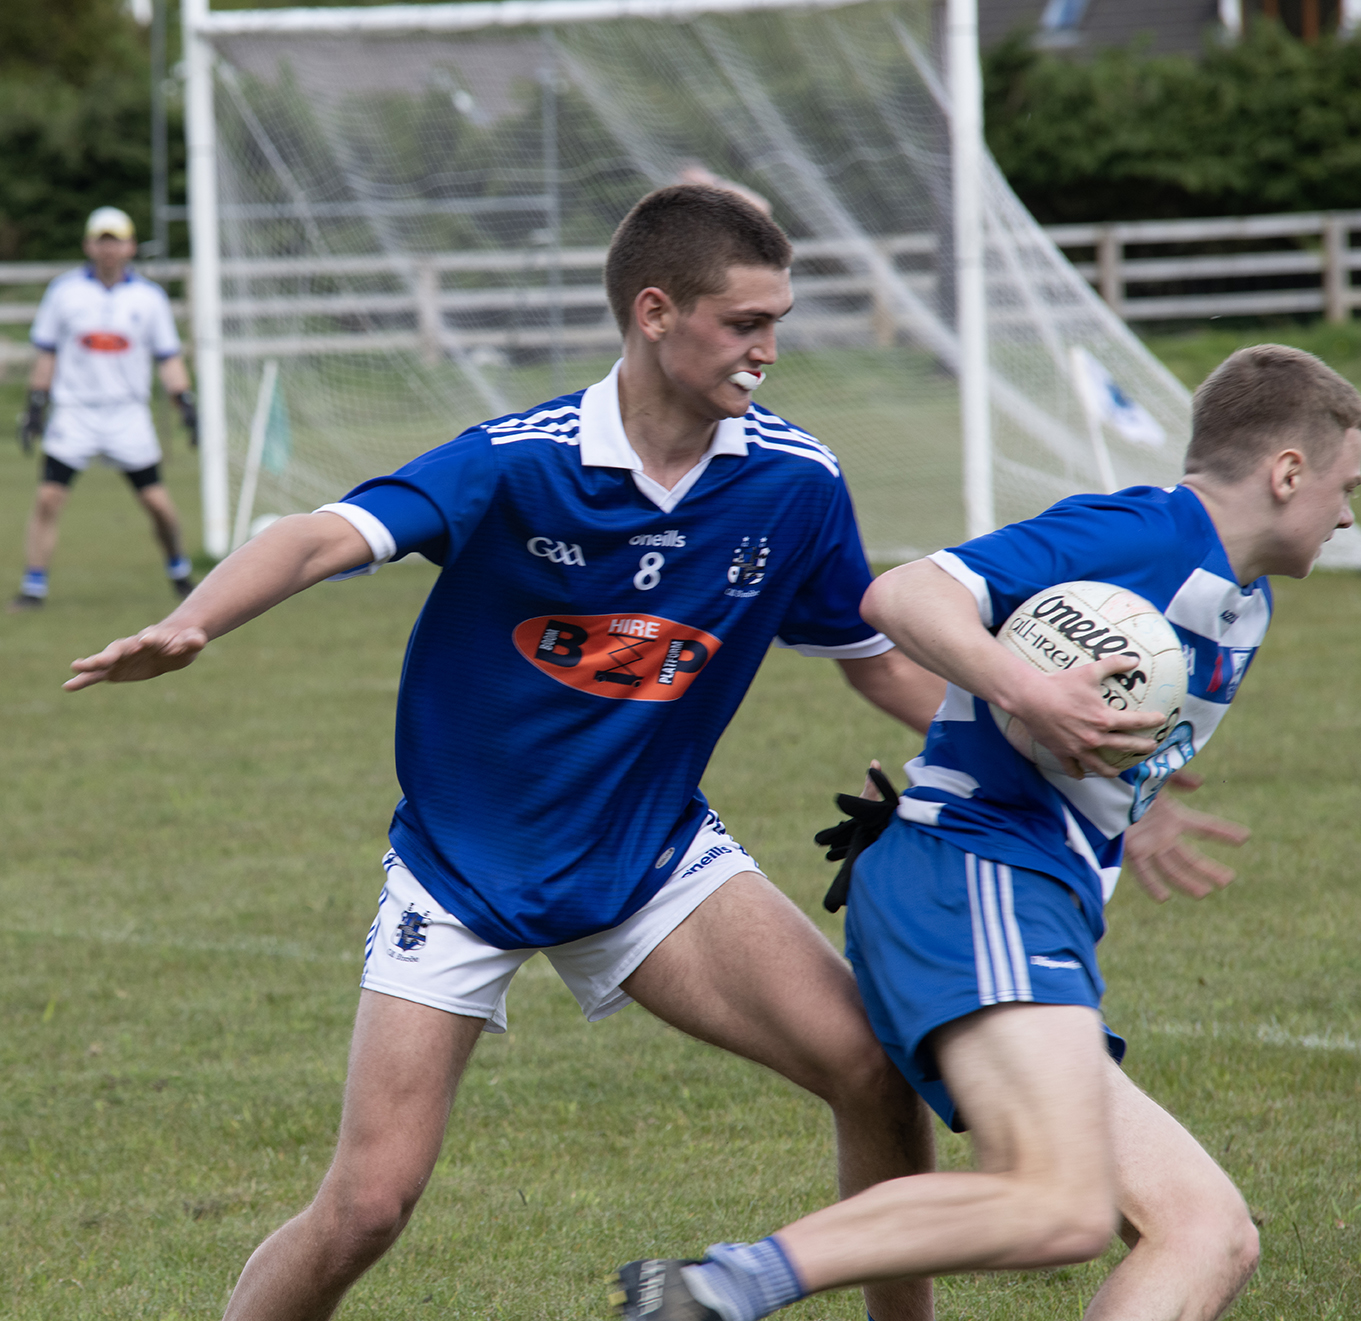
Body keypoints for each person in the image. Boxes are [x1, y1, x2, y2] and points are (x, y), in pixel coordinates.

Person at [66, 186, 947, 1321]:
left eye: (776, 322)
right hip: (461, 869)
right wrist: (196, 621)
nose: (766, 350)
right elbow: (320, 535)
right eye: (742, 323)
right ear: (654, 312)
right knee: (366, 1205)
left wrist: (1041, 742)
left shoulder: (793, 481)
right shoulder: (518, 461)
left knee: (875, 1072)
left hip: (648, 862)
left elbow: (874, 660)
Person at [613, 343, 1361, 1321]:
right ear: (1287, 472)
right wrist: (1026, 696)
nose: (1347, 515)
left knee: (1207, 1231)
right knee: (1058, 1207)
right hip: (977, 877)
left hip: (1017, 884)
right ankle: (717, 1288)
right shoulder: (1137, 533)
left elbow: (1060, 724)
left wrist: (1135, 803)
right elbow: (901, 596)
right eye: (1346, 486)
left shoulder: (1241, 600)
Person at [11, 205, 198, 612]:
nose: (109, 249)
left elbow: (168, 357)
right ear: (89, 245)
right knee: (48, 499)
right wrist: (36, 405)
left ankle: (180, 571)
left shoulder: (148, 298)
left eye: (117, 241)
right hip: (75, 412)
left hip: (127, 414)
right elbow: (47, 353)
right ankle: (33, 586)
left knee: (158, 504)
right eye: (102, 241)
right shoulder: (64, 292)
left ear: (130, 247)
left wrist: (184, 401)